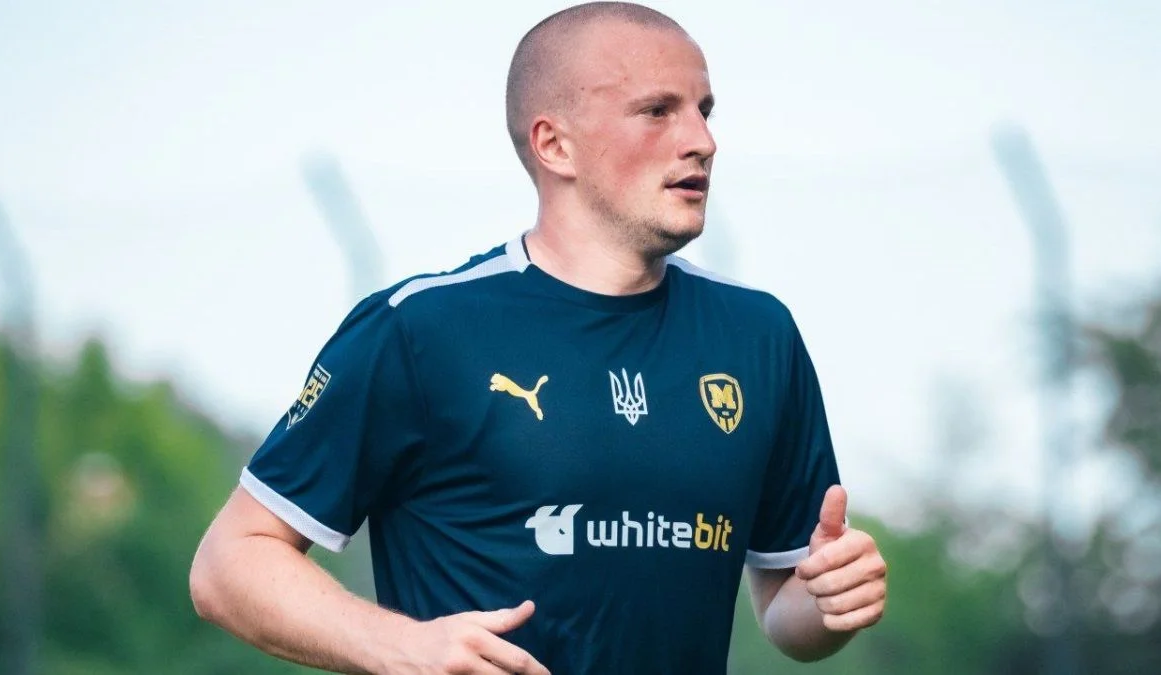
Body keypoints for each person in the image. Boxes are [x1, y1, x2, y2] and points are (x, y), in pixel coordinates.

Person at [189, 2, 888, 673]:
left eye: (703, 111)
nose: (702, 141)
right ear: (555, 145)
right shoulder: (421, 329)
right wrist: (403, 647)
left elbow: (783, 607)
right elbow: (230, 564)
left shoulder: (758, 334)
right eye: (658, 111)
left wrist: (830, 600)